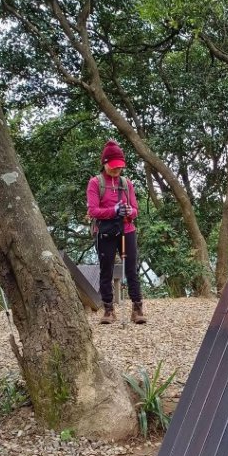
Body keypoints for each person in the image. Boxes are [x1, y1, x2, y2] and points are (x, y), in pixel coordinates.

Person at [86, 139, 146, 324]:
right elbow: (93, 210)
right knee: (106, 270)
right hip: (105, 231)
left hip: (127, 229)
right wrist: (113, 211)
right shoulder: (96, 183)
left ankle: (137, 308)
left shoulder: (126, 183)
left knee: (132, 270)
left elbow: (135, 209)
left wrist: (129, 212)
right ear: (105, 164)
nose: (117, 170)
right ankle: (109, 310)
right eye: (113, 166)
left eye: (119, 167)